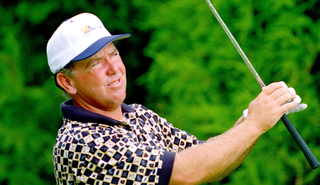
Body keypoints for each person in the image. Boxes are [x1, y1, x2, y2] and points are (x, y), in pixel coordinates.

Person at [47, 12, 307, 185]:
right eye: (95, 63)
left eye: (113, 54)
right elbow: (186, 171)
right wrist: (255, 124)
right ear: (67, 82)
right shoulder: (79, 143)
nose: (113, 68)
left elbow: (209, 159)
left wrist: (252, 117)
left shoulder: (139, 114)